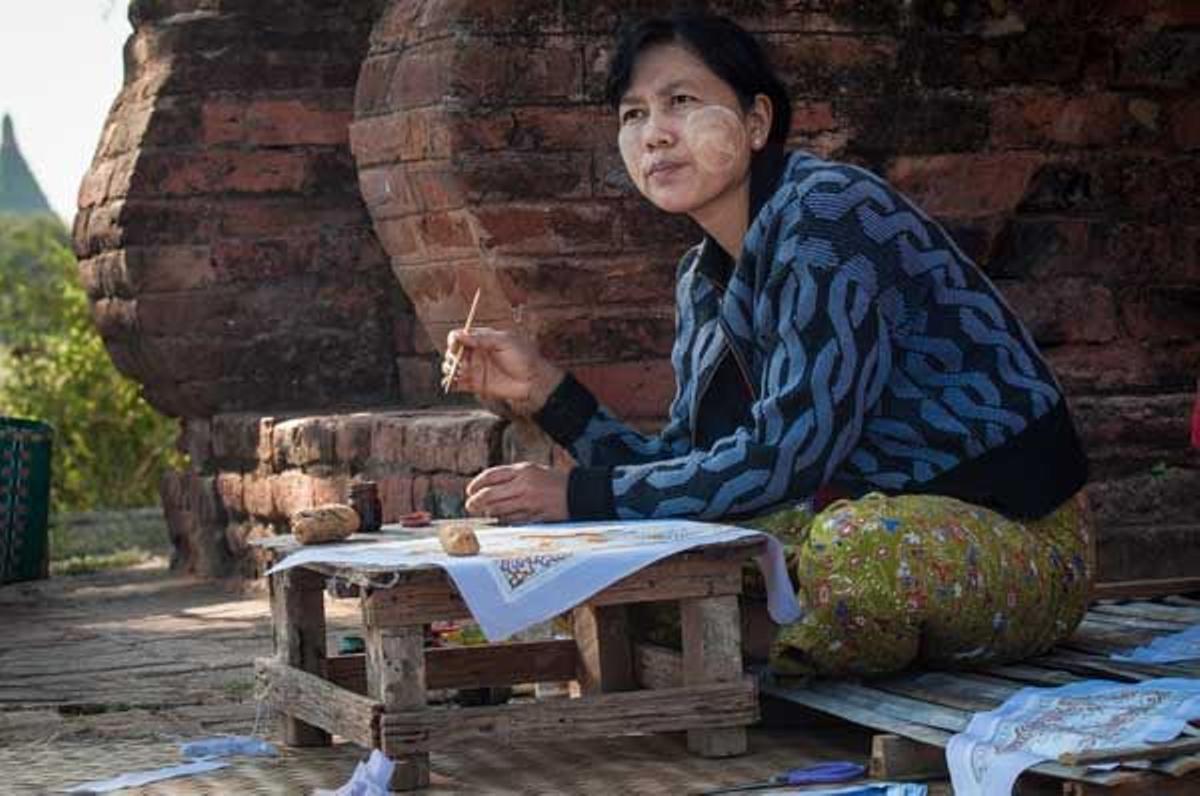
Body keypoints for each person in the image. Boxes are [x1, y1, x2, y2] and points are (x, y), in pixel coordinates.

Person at [444, 13, 1092, 677]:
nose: (655, 134)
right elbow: (691, 470)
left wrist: (578, 494)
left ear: (756, 122)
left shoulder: (829, 214)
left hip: (1012, 539)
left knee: (859, 550)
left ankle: (752, 643)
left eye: (681, 101)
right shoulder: (702, 278)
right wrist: (548, 393)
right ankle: (771, 635)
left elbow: (789, 454)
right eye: (633, 114)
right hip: (845, 521)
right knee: (618, 565)